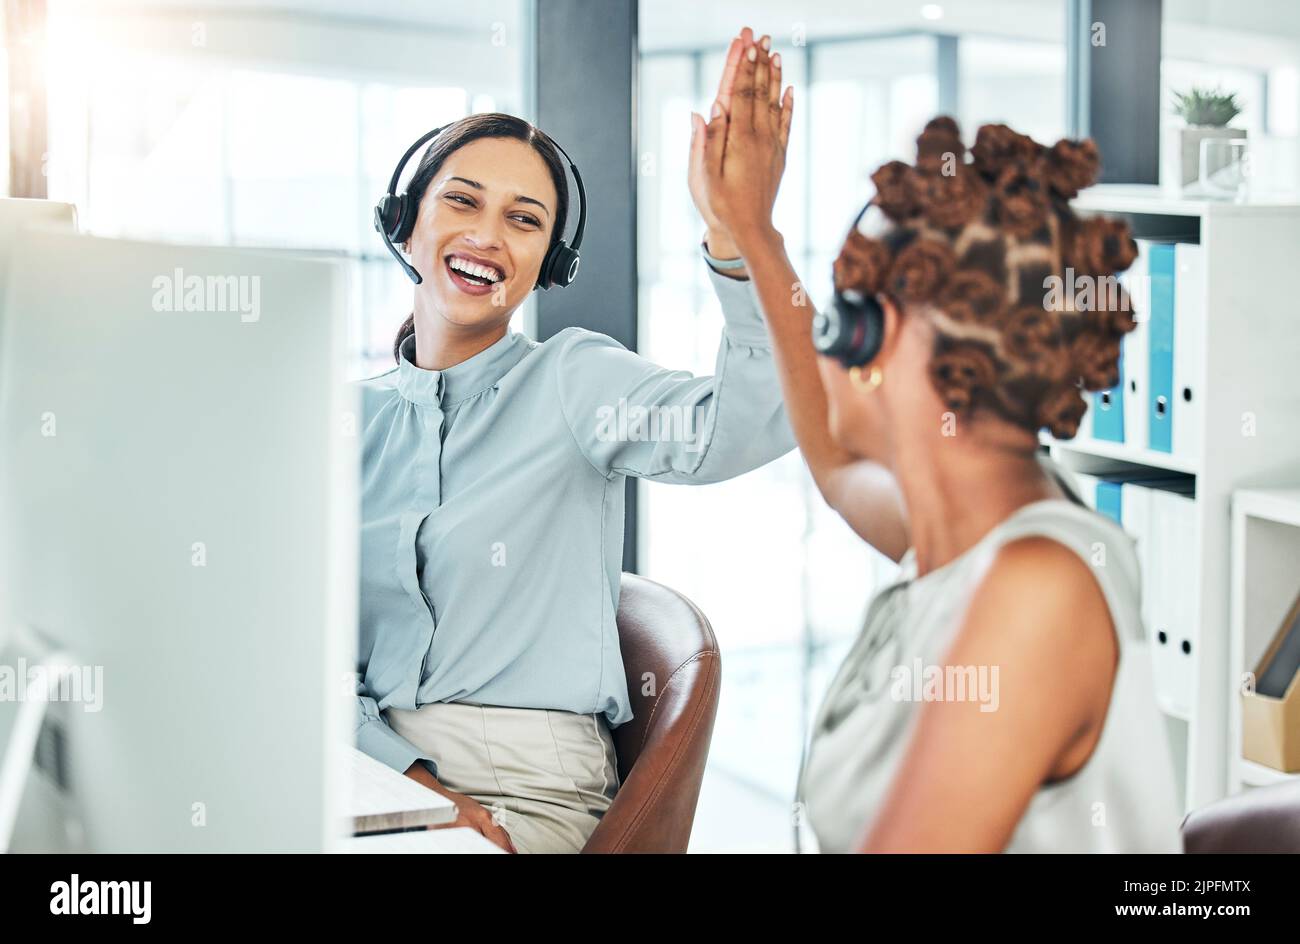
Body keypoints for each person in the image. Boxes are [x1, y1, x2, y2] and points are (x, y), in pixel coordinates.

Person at [699, 27, 1181, 852]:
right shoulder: (965, 534)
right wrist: (752, 230)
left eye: (844, 312)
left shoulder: (1038, 589)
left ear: (875, 339)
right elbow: (839, 460)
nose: (828, 340)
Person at [353, 46, 795, 854]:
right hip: (370, 772)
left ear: (546, 264)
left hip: (525, 792)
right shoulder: (352, 425)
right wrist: (409, 783)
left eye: (525, 220)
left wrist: (741, 237)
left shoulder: (575, 380)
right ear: (403, 224)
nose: (489, 235)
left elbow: (755, 420)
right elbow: (307, 652)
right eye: (462, 201)